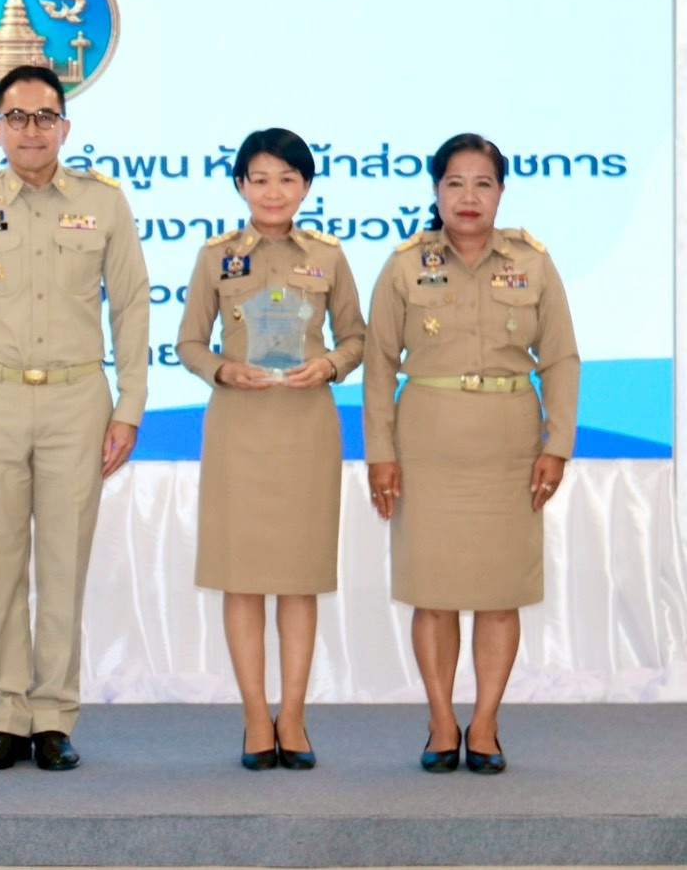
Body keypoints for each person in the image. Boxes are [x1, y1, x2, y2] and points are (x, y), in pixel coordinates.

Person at [0, 65, 150, 771]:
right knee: (1, 568)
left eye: (45, 117)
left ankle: (53, 716)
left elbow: (131, 305)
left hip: (77, 400)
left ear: (65, 127)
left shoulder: (104, 203)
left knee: (63, 566)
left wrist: (130, 406)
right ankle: (7, 718)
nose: (31, 130)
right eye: (17, 117)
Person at [364, 133, 579, 774]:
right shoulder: (405, 265)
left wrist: (558, 445)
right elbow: (378, 364)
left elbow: (561, 358)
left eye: (483, 183)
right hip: (427, 445)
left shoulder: (533, 262)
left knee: (498, 592)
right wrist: (380, 452)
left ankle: (484, 723)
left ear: (501, 192)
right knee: (433, 593)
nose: (468, 196)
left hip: (509, 446)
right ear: (436, 191)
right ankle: (440, 720)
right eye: (454, 182)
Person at [175, 128, 365, 771]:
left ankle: (295, 716)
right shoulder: (215, 257)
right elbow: (189, 342)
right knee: (243, 580)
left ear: (306, 186)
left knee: (299, 580)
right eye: (260, 179)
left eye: (287, 179)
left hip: (307, 429)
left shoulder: (329, 257)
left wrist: (331, 364)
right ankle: (257, 717)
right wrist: (222, 370)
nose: (273, 191)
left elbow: (358, 337)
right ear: (241, 186)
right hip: (239, 429)